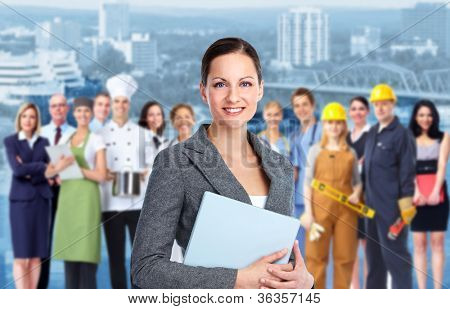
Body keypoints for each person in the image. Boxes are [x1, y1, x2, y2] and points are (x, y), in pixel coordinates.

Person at [131, 37, 314, 289]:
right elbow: (146, 268)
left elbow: (281, 258)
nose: (233, 97)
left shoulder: (280, 167)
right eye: (220, 84)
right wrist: (236, 280)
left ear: (260, 89)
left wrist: (306, 281)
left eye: (245, 84)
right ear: (204, 91)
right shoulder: (176, 163)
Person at [3, 103, 72, 289]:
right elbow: (17, 170)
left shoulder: (44, 143)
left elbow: (52, 173)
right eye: (24, 116)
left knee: (36, 257)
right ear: (19, 118)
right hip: (20, 203)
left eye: (32, 116)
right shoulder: (11, 141)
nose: (28, 120)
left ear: (36, 120)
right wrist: (42, 168)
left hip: (42, 202)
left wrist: (35, 170)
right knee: (21, 256)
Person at [302, 102, 362, 289]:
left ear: (344, 125)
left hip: (346, 212)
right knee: (315, 258)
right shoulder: (315, 151)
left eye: (338, 122)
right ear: (325, 125)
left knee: (345, 258)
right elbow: (307, 184)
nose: (334, 127)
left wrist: (357, 193)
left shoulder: (351, 153)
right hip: (319, 212)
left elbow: (357, 182)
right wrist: (309, 213)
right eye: (330, 122)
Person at [50, 97, 107, 289]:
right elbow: (50, 171)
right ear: (73, 113)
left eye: (86, 111)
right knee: (70, 260)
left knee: (86, 256)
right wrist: (61, 167)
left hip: (86, 201)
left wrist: (77, 168)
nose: (82, 115)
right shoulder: (65, 138)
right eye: (79, 111)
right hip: (67, 201)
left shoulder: (97, 140)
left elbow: (101, 174)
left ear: (91, 114)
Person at [363, 84, 416, 289]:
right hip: (371, 209)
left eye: (384, 104)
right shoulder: (373, 132)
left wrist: (406, 206)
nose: (380, 108)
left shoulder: (401, 134)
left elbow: (407, 171)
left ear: (392, 105)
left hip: (392, 209)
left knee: (397, 260)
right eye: (377, 104)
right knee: (374, 261)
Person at [99, 74, 150, 289]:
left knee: (138, 258)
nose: (120, 106)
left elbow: (153, 164)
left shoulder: (142, 133)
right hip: (110, 204)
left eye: (124, 102)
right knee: (115, 256)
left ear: (129, 104)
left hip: (137, 203)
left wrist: (144, 173)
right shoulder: (99, 134)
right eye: (117, 102)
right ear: (111, 104)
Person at [409, 100, 449, 289]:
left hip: (437, 192)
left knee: (438, 243)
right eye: (422, 115)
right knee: (419, 244)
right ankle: (423, 291)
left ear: (434, 117)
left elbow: (441, 165)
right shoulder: (408, 138)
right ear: (416, 117)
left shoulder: (444, 136)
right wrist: (416, 192)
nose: (426, 119)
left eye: (429, 115)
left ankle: (438, 291)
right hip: (415, 193)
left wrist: (435, 192)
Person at [38, 93, 76, 289]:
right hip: (45, 193)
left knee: (71, 241)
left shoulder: (76, 134)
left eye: (62, 105)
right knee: (44, 240)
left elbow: (78, 163)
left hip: (69, 191)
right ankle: (41, 287)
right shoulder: (41, 133)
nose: (58, 109)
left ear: (67, 109)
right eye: (55, 106)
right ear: (50, 109)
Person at [289, 88, 322, 254]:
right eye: (297, 105)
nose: (301, 109)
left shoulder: (323, 131)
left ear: (313, 105)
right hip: (298, 200)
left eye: (305, 104)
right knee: (298, 250)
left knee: (317, 251)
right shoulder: (295, 136)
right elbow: (294, 170)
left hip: (318, 200)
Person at [346, 96, 371, 289]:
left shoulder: (373, 135)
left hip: (369, 198)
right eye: (354, 109)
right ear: (349, 112)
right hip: (347, 199)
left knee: (369, 249)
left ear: (367, 112)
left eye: (361, 109)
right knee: (351, 250)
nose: (357, 112)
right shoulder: (345, 137)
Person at [138, 101, 169, 172]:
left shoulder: (164, 141)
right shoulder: (138, 138)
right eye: (151, 115)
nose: (155, 118)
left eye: (158, 114)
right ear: (145, 118)